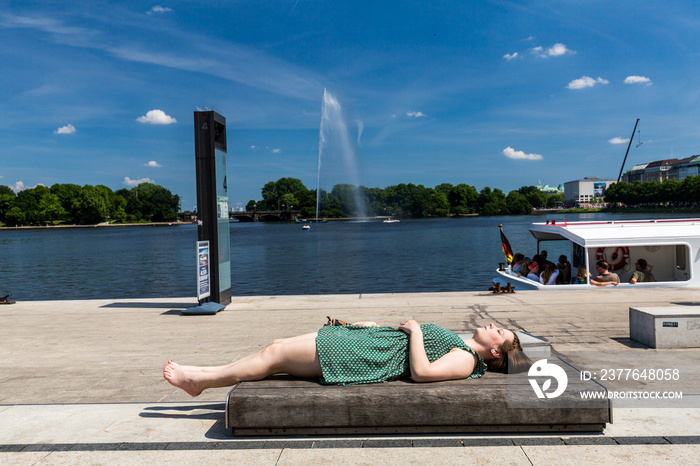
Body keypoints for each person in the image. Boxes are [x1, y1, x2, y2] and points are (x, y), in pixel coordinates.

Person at [163, 321, 532, 396]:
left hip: (356, 357)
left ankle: (201, 381)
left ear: (496, 351)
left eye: (500, 332)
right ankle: (204, 373)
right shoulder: (463, 345)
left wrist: (416, 331)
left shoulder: (468, 361)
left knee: (274, 355)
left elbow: (421, 372)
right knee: (274, 347)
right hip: (362, 342)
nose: (493, 326)